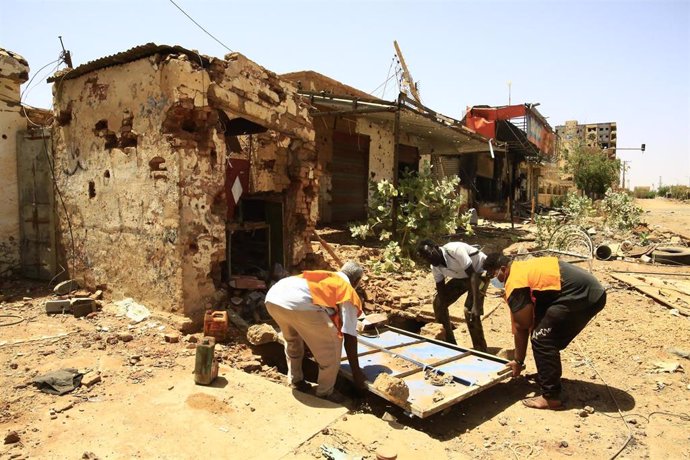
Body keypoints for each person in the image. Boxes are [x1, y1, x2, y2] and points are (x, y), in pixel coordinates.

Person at [483, 253, 606, 409]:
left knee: (542, 338)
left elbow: (522, 325)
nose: (493, 280)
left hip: (583, 294)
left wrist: (518, 361)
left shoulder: (515, 281)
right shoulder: (521, 269)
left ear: (502, 269)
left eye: (492, 275)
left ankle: (552, 396)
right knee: (542, 331)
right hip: (581, 291)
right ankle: (547, 375)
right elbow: (529, 319)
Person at [265, 261, 366, 402]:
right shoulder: (347, 291)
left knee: (292, 339)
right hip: (299, 304)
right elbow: (349, 335)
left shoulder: (326, 276)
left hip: (273, 297)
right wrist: (356, 372)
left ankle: (296, 380)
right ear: (356, 281)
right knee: (333, 346)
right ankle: (325, 393)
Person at [417, 239, 489, 351]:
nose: (430, 259)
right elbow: (441, 288)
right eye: (426, 258)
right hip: (463, 276)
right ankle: (450, 345)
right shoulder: (435, 266)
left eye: (430, 255)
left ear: (436, 247)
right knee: (438, 303)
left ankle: (480, 349)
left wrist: (476, 303)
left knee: (469, 310)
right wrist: (442, 305)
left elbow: (472, 275)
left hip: (479, 273)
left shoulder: (454, 250)